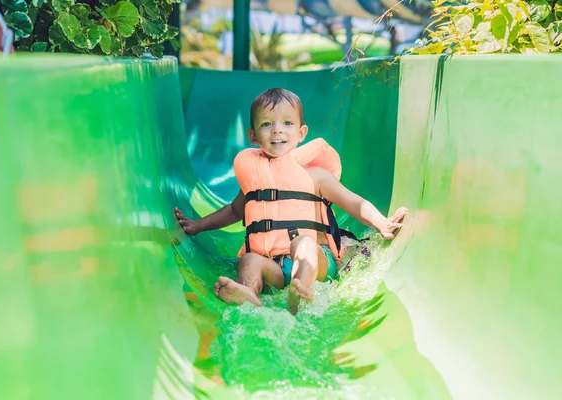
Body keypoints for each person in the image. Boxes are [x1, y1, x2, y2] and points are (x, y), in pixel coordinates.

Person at [174, 88, 407, 314]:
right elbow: (235, 211)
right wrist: (198, 226)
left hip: (316, 263)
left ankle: (300, 289)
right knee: (249, 260)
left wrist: (381, 223)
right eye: (267, 124)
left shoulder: (316, 175)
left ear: (301, 133)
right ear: (253, 135)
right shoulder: (256, 179)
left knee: (303, 245)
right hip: (273, 267)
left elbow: (355, 203)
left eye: (287, 123)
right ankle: (248, 292)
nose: (277, 130)